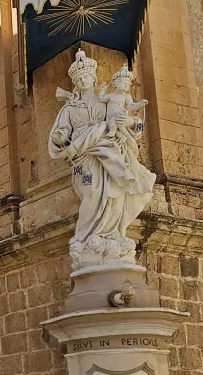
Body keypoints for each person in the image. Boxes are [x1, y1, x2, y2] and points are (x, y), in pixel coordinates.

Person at [48, 50, 156, 271]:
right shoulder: (69, 108)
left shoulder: (106, 102)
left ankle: (111, 238)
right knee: (91, 192)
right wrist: (60, 138)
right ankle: (87, 240)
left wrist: (131, 122)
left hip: (108, 153)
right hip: (82, 158)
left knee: (114, 194)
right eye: (78, 79)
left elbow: (136, 126)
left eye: (86, 77)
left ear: (94, 79)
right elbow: (58, 134)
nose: (82, 80)